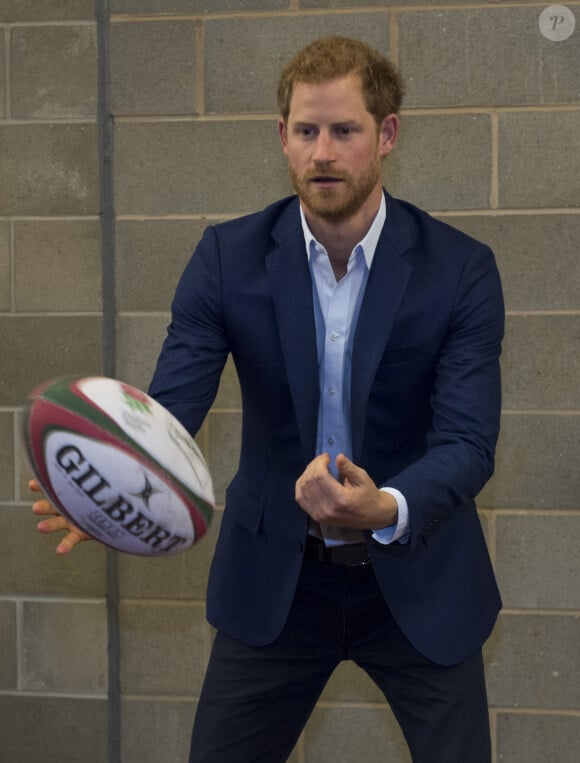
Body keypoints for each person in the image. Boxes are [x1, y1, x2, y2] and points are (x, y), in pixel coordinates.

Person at [32, 35, 504, 763]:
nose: (323, 151)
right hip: (279, 581)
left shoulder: (461, 269)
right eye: (306, 131)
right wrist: (115, 481)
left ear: (386, 134)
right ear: (282, 137)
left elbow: (468, 443)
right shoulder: (227, 258)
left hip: (417, 574)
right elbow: (170, 410)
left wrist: (386, 506)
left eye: (345, 130)